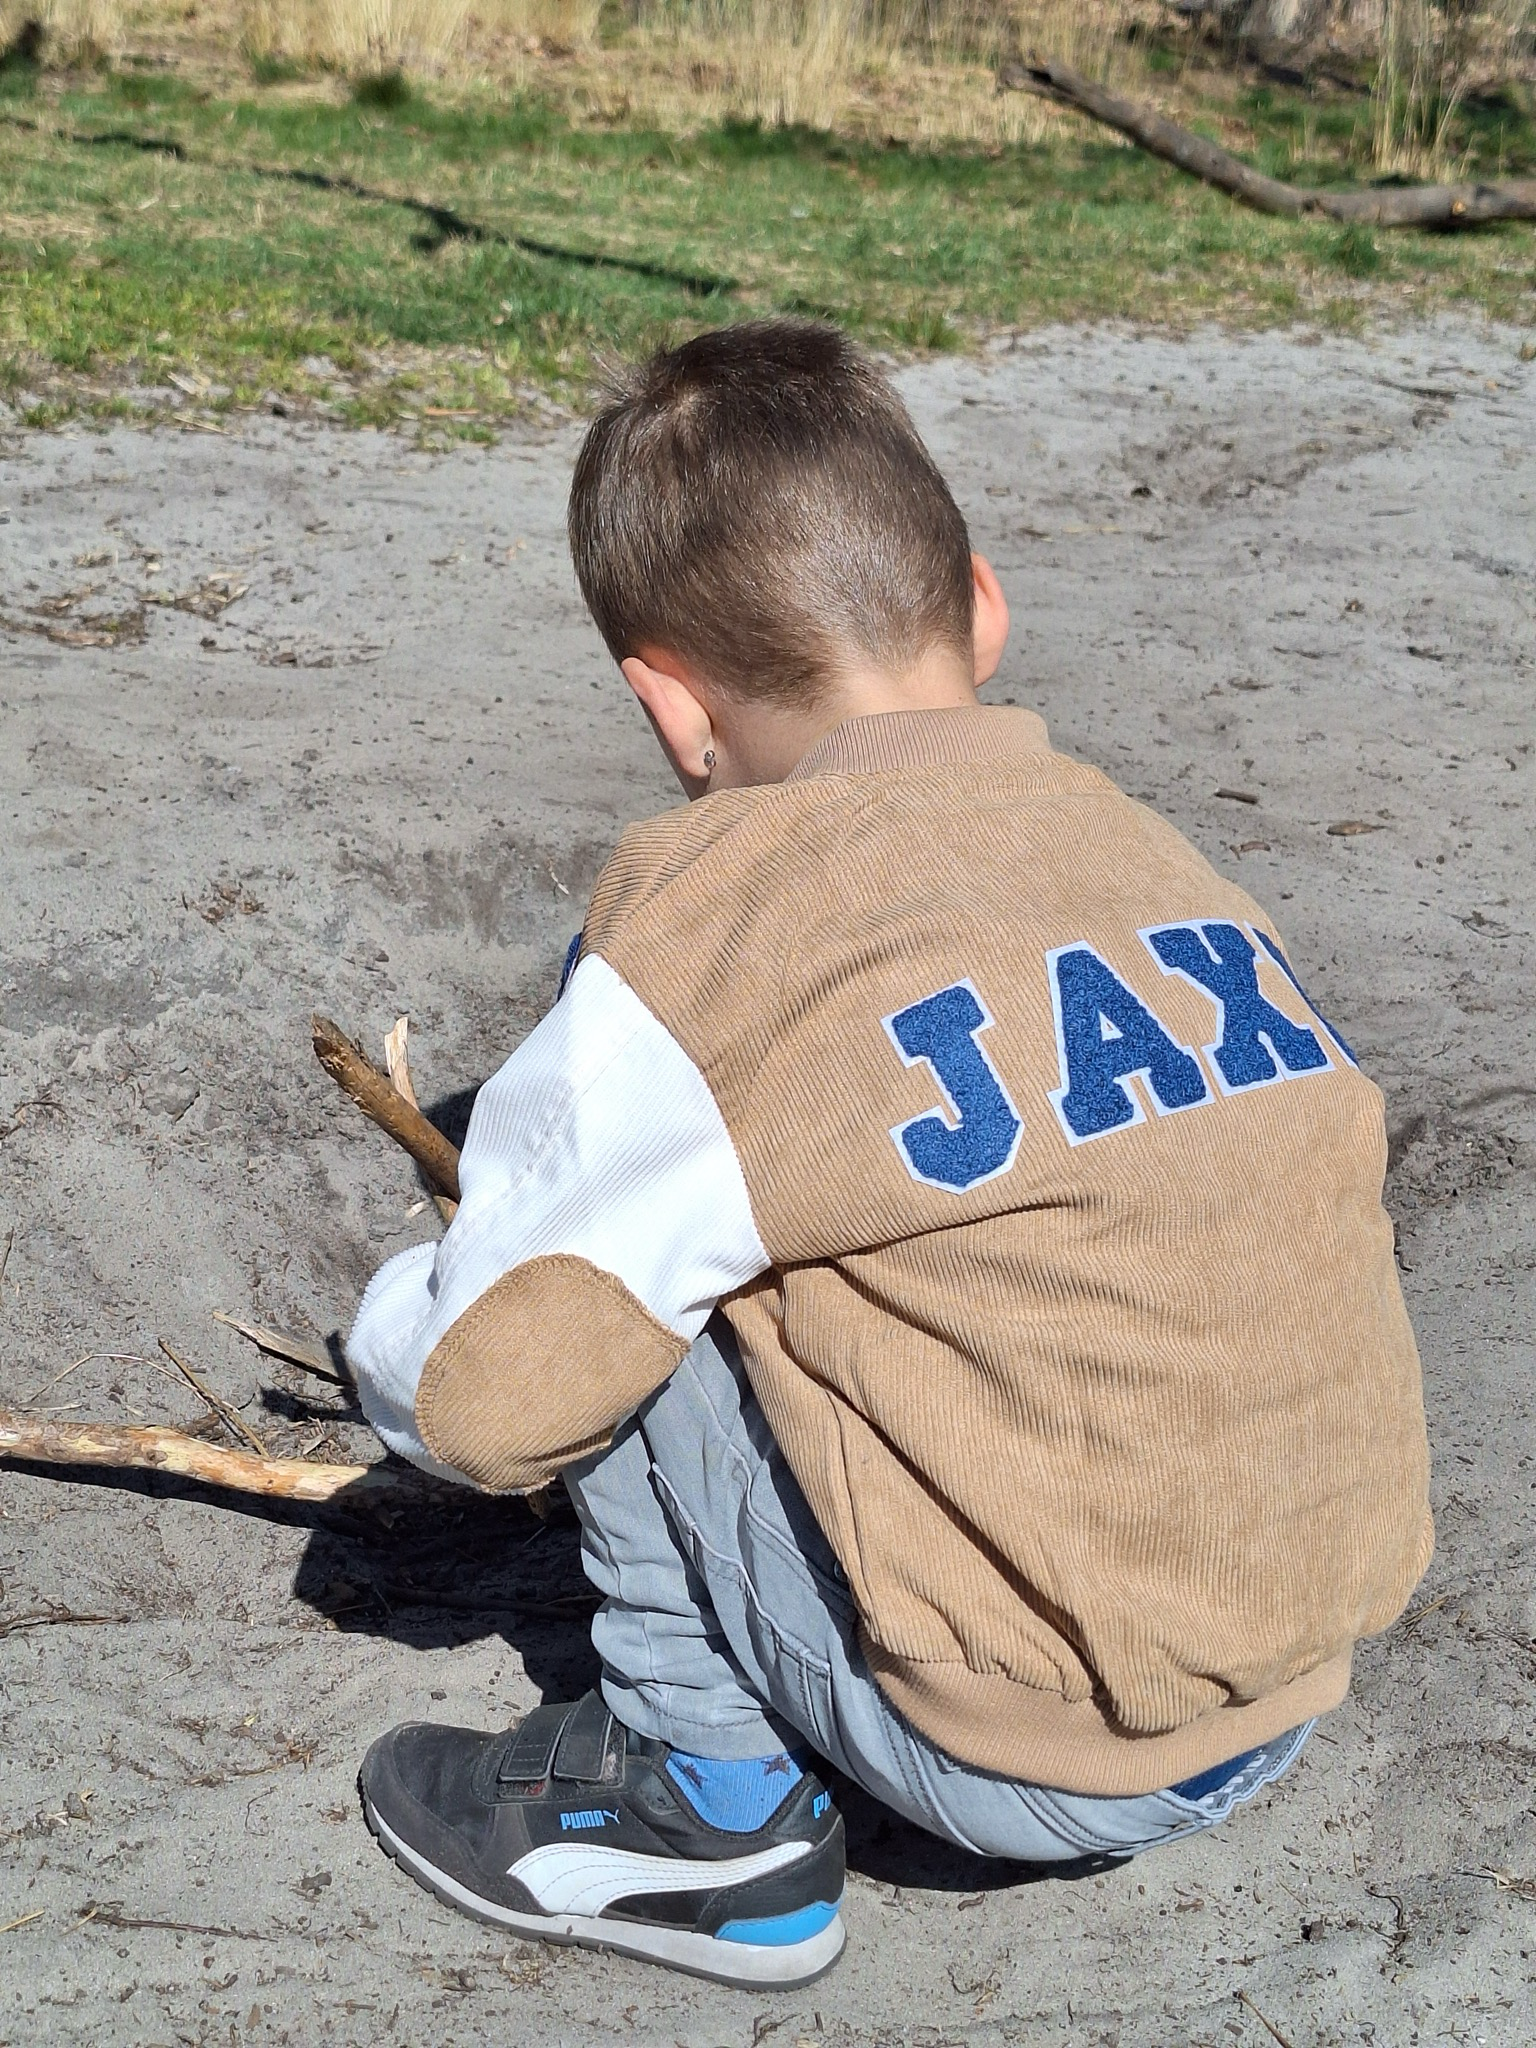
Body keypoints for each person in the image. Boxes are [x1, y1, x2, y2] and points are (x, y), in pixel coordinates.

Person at [345, 320, 1432, 1990]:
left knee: (623, 1270)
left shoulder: (717, 919)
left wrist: (408, 1319)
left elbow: (482, 1404)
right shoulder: (1161, 862)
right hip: (1297, 1672)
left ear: (670, 708)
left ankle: (702, 1819)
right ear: (982, 606)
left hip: (1027, 1762)